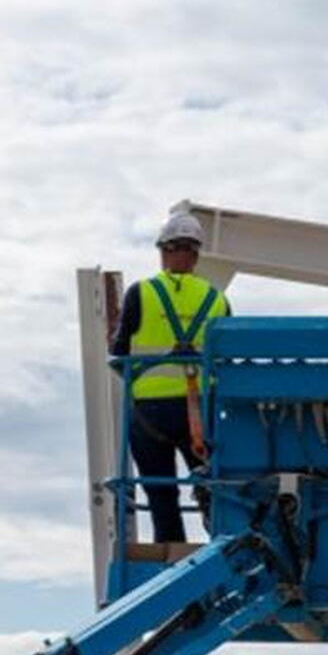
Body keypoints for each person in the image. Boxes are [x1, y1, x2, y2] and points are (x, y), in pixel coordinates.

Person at [110, 210, 231, 543]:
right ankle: (222, 545)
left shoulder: (142, 293)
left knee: (161, 493)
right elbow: (227, 358)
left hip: (151, 411)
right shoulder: (216, 300)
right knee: (215, 490)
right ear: (196, 254)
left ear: (163, 250)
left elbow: (119, 351)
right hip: (200, 411)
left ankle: (171, 552)